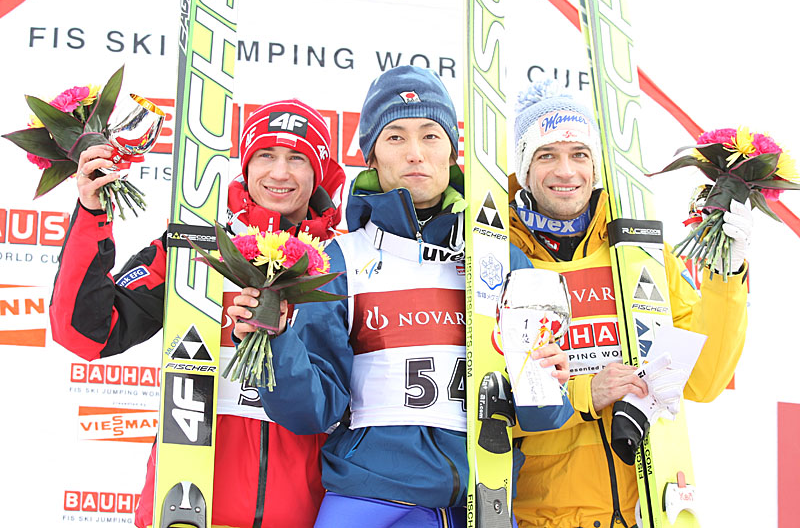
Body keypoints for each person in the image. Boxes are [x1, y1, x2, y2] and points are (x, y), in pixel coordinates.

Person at [229, 65, 573, 528]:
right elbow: (312, 411)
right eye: (395, 137)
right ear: (371, 156)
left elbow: (542, 416)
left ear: (452, 151)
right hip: (370, 498)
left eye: (430, 135)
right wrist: (276, 342)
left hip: (482, 497)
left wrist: (547, 382)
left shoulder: (499, 258)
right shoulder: (338, 260)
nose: (415, 153)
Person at [49, 99, 346, 528]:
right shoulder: (195, 246)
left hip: (301, 514)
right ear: (246, 165)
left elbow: (331, 401)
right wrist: (92, 213)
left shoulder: (341, 263)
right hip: (186, 507)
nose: (279, 173)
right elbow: (85, 333)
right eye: (265, 155)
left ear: (318, 171)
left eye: (297, 158)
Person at [507, 80, 749, 528]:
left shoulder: (639, 251)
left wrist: (726, 276)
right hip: (540, 516)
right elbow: (482, 407)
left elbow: (703, 380)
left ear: (595, 166)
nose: (566, 171)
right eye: (547, 156)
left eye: (580, 154)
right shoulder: (501, 258)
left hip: (648, 510)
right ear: (524, 167)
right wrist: (585, 393)